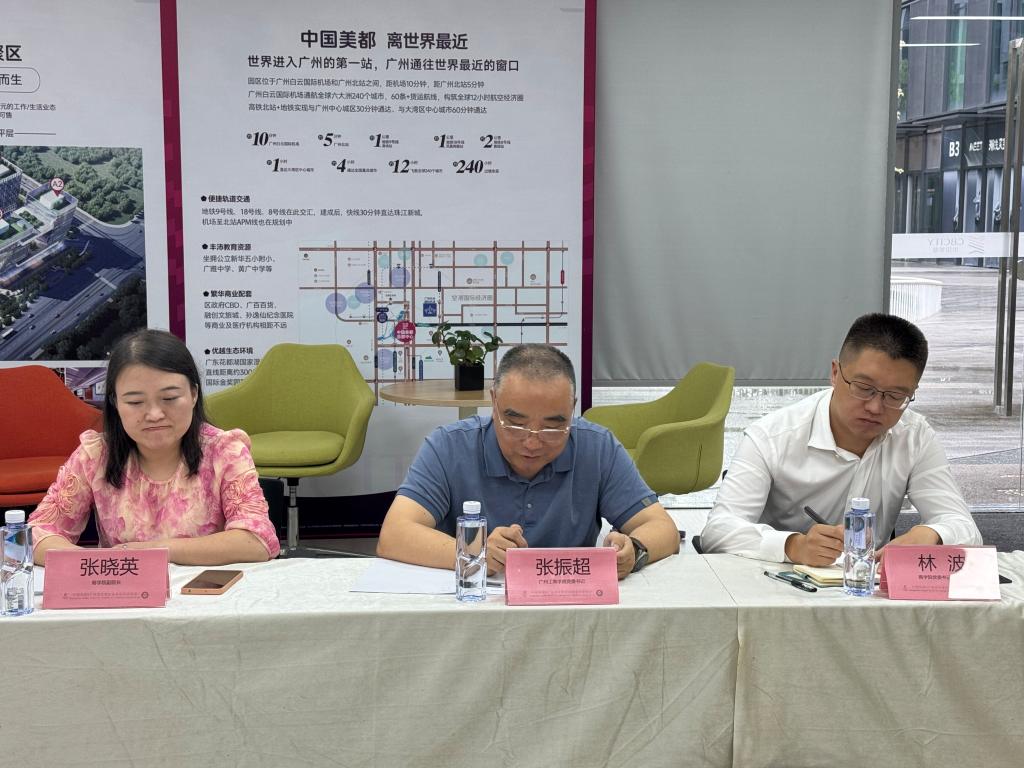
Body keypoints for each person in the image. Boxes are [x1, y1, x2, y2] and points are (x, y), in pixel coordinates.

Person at [377, 344, 680, 579]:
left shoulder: (597, 447)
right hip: (476, 604)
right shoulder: (449, 446)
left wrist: (634, 551)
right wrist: (475, 551)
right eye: (515, 424)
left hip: (568, 606)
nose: (532, 442)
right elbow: (394, 534)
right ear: (494, 402)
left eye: (552, 427)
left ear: (572, 409)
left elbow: (661, 527)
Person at [702, 313, 982, 565]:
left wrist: (932, 534)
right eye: (864, 387)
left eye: (896, 396)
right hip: (779, 583)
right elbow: (718, 531)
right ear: (835, 374)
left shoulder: (914, 436)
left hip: (867, 588)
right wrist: (793, 546)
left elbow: (965, 528)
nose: (875, 407)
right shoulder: (772, 436)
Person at [29, 329, 280, 565]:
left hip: (202, 592)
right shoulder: (95, 455)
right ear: (115, 402)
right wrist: (95, 564)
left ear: (193, 394)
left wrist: (152, 552)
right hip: (124, 590)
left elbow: (256, 541)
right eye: (135, 402)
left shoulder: (225, 451)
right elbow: (36, 535)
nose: (154, 414)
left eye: (169, 398)